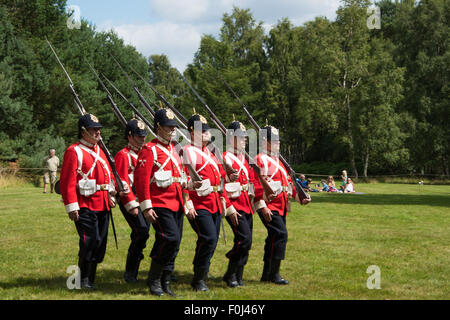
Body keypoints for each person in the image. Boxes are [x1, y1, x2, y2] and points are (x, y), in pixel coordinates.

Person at [60, 114, 127, 290]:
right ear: (83, 131)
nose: (98, 132)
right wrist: (72, 207)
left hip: (103, 203)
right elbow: (68, 181)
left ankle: (91, 278)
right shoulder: (74, 151)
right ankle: (81, 279)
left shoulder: (100, 150)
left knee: (99, 242)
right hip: (84, 204)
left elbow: (109, 175)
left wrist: (112, 194)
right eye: (93, 129)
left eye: (98, 129)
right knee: (89, 241)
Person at [134, 108, 186, 297]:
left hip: (177, 202)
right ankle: (154, 278)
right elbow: (141, 180)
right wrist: (146, 206)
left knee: (175, 242)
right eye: (168, 126)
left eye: (174, 126)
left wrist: (186, 198)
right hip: (159, 202)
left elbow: (179, 177)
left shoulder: (173, 149)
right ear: (158, 127)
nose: (172, 129)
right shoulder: (150, 149)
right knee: (169, 238)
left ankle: (165, 280)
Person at [183, 112, 237, 292]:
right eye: (202, 130)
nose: (207, 133)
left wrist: (227, 181)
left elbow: (219, 178)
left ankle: (201, 274)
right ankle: (198, 279)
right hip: (199, 204)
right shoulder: (188, 151)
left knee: (211, 241)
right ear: (192, 133)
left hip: (213, 202)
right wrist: (187, 203)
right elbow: (183, 179)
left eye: (207, 130)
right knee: (208, 238)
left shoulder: (210, 153)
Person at [253, 124, 310, 285]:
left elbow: (289, 184)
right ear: (265, 142)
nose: (278, 143)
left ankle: (267, 274)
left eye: (278, 141)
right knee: (280, 234)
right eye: (275, 140)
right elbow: (257, 184)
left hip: (281, 206)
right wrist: (262, 205)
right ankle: (274, 273)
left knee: (274, 237)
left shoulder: (279, 160)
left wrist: (300, 198)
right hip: (270, 205)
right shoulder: (261, 159)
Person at [114, 119, 150, 284]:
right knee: (141, 232)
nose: (142, 139)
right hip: (131, 200)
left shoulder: (146, 153)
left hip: (145, 201)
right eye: (138, 136)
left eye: (143, 136)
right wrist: (130, 204)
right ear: (130, 136)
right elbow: (121, 180)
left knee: (143, 234)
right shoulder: (123, 155)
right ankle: (130, 272)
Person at [222, 120, 256, 287]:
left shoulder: (243, 158)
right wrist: (229, 207)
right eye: (241, 137)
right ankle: (230, 272)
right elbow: (221, 184)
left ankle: (236, 275)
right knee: (244, 239)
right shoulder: (225, 158)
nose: (245, 140)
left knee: (246, 242)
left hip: (246, 204)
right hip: (234, 204)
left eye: (245, 137)